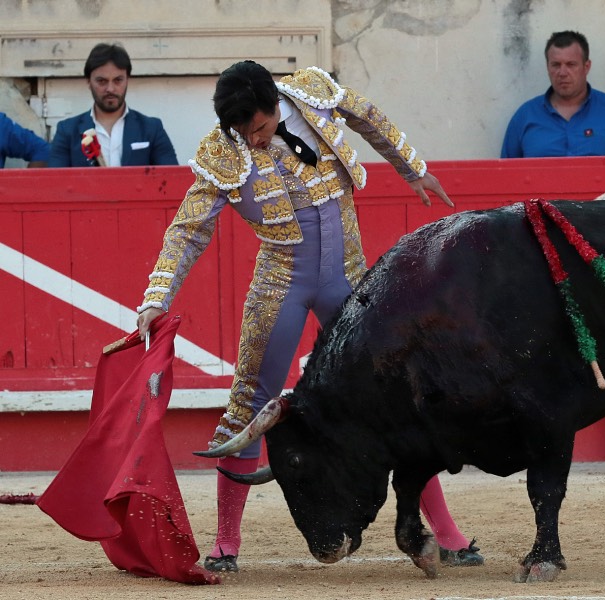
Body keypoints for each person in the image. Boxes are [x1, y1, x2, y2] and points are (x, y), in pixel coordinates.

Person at [135, 60, 483, 573]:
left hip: (349, 282)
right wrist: (156, 296)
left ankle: (447, 535)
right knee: (249, 406)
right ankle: (226, 544)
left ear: (275, 108)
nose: (250, 142)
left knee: (394, 401)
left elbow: (366, 115)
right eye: (241, 132)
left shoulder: (311, 95)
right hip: (282, 287)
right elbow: (189, 229)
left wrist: (412, 166)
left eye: (257, 129)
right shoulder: (224, 150)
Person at [501, 30, 605, 164]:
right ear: (547, 67)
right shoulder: (525, 117)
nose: (562, 72)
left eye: (571, 64)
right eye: (556, 65)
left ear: (586, 67)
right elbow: (505, 177)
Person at [49, 43, 178, 166]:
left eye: (118, 80)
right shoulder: (67, 131)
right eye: (101, 81)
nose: (110, 89)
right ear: (88, 82)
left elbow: (172, 180)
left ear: (127, 80)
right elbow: (55, 183)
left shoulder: (152, 128)